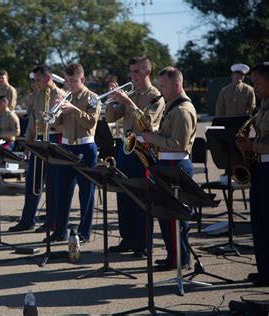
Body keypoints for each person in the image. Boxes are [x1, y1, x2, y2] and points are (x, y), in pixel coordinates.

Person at [106, 56, 165, 257]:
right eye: (131, 72)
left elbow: (147, 122)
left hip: (143, 150)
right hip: (125, 147)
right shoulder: (132, 92)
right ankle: (128, 239)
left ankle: (143, 242)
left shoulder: (155, 96)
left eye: (137, 72)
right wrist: (113, 100)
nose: (132, 76)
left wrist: (127, 101)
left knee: (141, 197)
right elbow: (111, 118)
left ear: (147, 72)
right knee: (124, 195)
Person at [141, 66, 197, 271]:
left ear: (176, 84)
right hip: (166, 162)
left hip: (175, 163)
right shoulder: (172, 106)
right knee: (166, 215)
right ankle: (173, 256)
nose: (160, 89)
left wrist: (151, 138)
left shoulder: (182, 110)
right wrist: (154, 132)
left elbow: (179, 143)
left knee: (175, 217)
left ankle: (180, 259)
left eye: (163, 86)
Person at [47, 63, 100, 243]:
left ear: (82, 79)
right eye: (67, 81)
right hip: (66, 147)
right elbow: (56, 124)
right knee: (61, 191)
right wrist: (56, 112)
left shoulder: (92, 98)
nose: (69, 85)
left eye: (74, 82)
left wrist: (75, 111)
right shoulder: (65, 97)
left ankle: (84, 232)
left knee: (86, 192)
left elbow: (91, 123)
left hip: (85, 148)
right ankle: (60, 230)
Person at [8, 65, 64, 232]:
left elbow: (61, 123)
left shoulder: (59, 95)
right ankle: (28, 219)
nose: (36, 83)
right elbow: (32, 122)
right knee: (33, 181)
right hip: (38, 140)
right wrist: (28, 143)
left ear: (48, 78)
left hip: (54, 138)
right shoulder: (36, 96)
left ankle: (52, 221)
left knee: (53, 184)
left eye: (38, 80)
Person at [237, 61, 269, 287]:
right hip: (261, 168)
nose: (255, 86)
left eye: (258, 82)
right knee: (258, 222)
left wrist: (252, 147)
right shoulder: (263, 104)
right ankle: (264, 271)